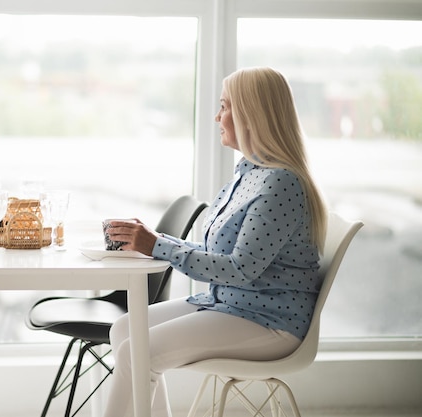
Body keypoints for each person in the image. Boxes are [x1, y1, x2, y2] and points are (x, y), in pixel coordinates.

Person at [103, 67, 328, 417]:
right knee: (123, 330)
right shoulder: (250, 172)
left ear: (252, 116)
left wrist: (157, 246)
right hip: (228, 305)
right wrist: (153, 239)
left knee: (139, 353)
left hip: (268, 320)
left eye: (225, 107)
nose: (217, 117)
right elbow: (216, 255)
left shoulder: (280, 184)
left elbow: (240, 269)